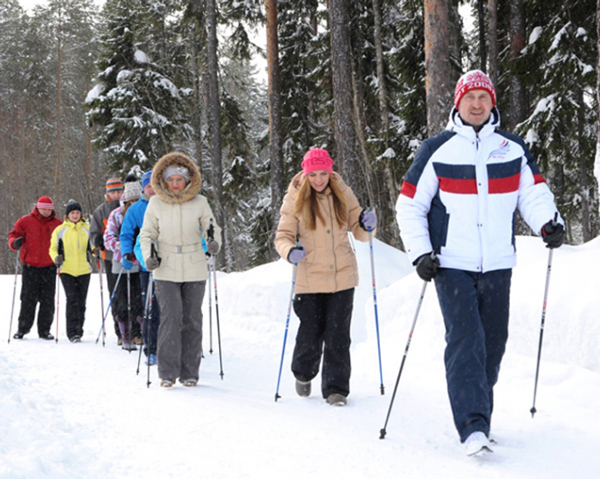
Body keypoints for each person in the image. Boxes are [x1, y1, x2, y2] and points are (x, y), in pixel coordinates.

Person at [395, 70, 565, 456]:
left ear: (492, 104)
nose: (476, 104)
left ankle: (479, 414)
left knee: (493, 343)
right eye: (469, 98)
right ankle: (472, 426)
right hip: (451, 263)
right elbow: (409, 204)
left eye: (483, 98)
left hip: (498, 263)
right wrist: (420, 252)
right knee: (465, 339)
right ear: (458, 103)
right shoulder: (437, 150)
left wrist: (549, 223)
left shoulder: (512, 148)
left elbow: (534, 193)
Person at [274, 148, 377, 407]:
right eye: (313, 175)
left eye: (323, 174)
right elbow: (283, 236)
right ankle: (303, 372)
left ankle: (336, 389)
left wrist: (368, 225)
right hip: (308, 277)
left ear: (330, 172)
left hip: (342, 276)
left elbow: (359, 230)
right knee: (310, 334)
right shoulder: (295, 196)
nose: (318, 179)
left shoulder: (342, 192)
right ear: (306, 174)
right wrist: (290, 251)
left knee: (338, 336)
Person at [140, 152, 221, 389]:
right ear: (163, 181)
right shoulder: (156, 203)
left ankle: (189, 372)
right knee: (171, 317)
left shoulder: (200, 202)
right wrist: (148, 256)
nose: (175, 184)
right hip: (165, 267)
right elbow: (147, 234)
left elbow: (211, 227)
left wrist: (214, 242)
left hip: (194, 265)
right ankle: (167, 372)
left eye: (179, 179)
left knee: (192, 319)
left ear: (188, 180)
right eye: (171, 179)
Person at [8, 196, 63, 340]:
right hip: (30, 267)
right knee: (27, 299)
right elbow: (13, 235)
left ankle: (44, 330)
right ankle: (22, 329)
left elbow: (65, 239)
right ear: (38, 208)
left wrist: (62, 252)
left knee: (47, 301)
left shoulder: (58, 224)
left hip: (49, 267)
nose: (46, 211)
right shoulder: (25, 221)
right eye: (43, 208)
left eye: (48, 209)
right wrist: (15, 242)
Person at [121, 170, 160, 365]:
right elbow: (126, 234)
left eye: (155, 185)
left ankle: (176, 347)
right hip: (147, 266)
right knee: (151, 309)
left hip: (172, 266)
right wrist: (127, 253)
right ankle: (151, 349)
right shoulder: (135, 209)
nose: (152, 189)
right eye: (148, 186)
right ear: (143, 188)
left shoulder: (169, 204)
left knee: (173, 309)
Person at [104, 175, 144, 351]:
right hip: (121, 261)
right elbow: (108, 237)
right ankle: (123, 333)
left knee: (138, 299)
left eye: (137, 200)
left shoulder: (144, 212)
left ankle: (137, 333)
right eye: (131, 201)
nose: (134, 204)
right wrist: (123, 246)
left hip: (140, 262)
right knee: (121, 300)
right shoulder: (116, 214)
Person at [49, 200, 94, 343]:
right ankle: (72, 332)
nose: (75, 215)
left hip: (84, 270)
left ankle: (79, 330)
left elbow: (92, 247)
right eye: (72, 213)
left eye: (77, 213)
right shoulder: (60, 230)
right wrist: (56, 258)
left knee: (81, 301)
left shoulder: (87, 229)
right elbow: (52, 248)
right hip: (66, 270)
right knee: (72, 299)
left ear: (81, 214)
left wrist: (96, 251)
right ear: (67, 215)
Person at [90, 177, 124, 344]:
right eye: (113, 192)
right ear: (108, 193)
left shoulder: (128, 207)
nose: (116, 194)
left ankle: (136, 329)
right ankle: (120, 331)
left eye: (119, 191)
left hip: (130, 257)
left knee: (132, 293)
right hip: (110, 257)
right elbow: (94, 232)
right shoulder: (100, 211)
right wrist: (97, 240)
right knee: (116, 294)